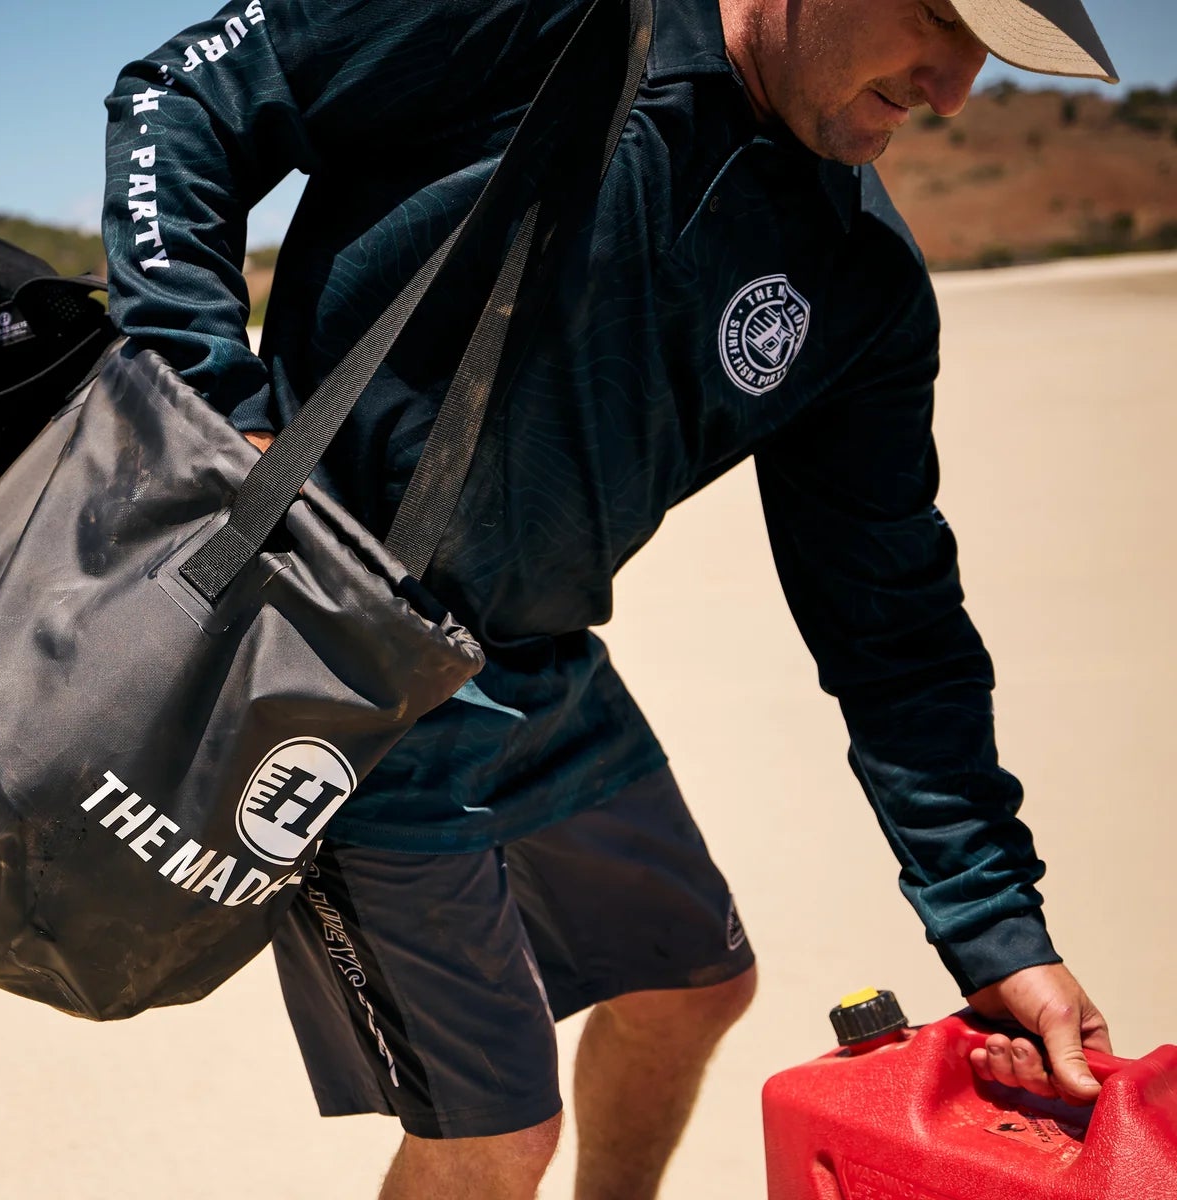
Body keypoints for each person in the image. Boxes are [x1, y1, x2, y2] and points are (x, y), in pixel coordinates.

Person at [102, 0, 1120, 1195]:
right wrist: (214, 411)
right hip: (331, 646)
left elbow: (894, 624)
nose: (953, 88)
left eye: (987, 51)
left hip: (536, 658)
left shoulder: (860, 281)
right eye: (940, 17)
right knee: (494, 1130)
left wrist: (996, 929)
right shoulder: (552, 17)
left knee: (692, 987)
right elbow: (183, 96)